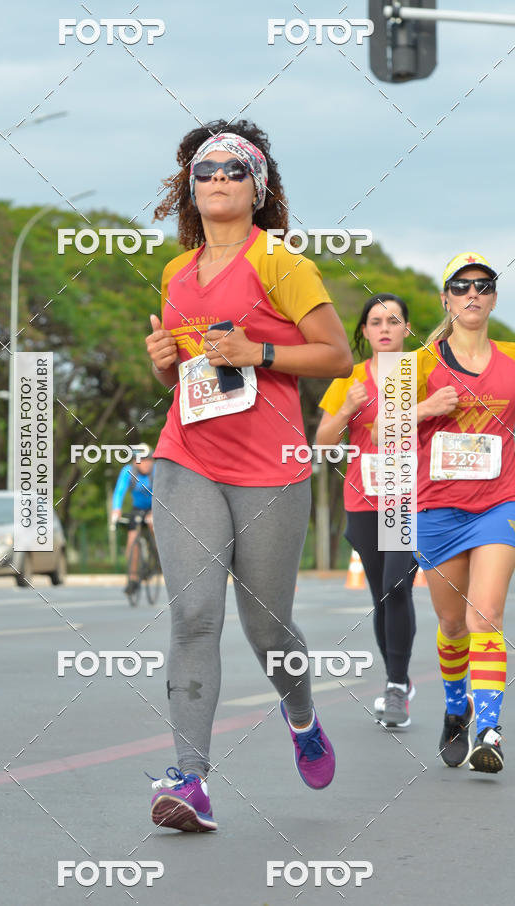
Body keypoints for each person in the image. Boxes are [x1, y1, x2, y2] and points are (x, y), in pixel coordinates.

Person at [144, 120, 353, 832]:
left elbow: (336, 355)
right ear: (190, 187)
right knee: (193, 616)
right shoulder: (177, 272)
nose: (218, 180)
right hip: (187, 456)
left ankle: (302, 715)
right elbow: (190, 370)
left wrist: (259, 352)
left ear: (258, 188)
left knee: (267, 628)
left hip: (270, 466)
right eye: (205, 171)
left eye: (235, 170)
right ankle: (189, 780)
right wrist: (164, 364)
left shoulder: (280, 262)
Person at [414, 252, 515, 773]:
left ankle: (489, 731)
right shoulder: (415, 365)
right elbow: (377, 432)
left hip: (500, 504)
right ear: (446, 298)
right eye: (461, 285)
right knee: (453, 624)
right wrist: (424, 409)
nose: (472, 293)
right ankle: (457, 707)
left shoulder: (512, 359)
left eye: (483, 285)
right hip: (437, 509)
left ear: (493, 298)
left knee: (486, 615)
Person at [316, 294, 419, 729]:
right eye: (375, 321)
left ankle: (395, 685)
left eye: (393, 321)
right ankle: (398, 679)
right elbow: (323, 444)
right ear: (363, 331)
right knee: (382, 594)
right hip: (363, 499)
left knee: (396, 586)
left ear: (406, 329)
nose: (384, 328)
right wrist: (346, 409)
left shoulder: (421, 373)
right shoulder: (351, 378)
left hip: (409, 498)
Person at [111, 452, 154, 596]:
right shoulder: (128, 471)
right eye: (143, 460)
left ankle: (156, 559)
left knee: (154, 526)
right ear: (135, 462)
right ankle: (133, 578)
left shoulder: (156, 471)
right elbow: (119, 491)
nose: (147, 464)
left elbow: (164, 492)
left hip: (155, 506)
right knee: (132, 540)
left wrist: (155, 512)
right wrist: (116, 509)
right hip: (138, 509)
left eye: (149, 460)